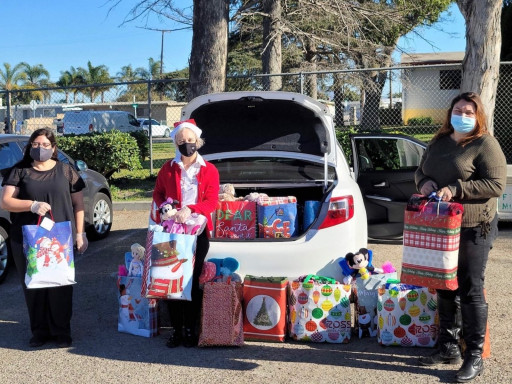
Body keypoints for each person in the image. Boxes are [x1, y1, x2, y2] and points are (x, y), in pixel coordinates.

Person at [415, 92, 507, 382]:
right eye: (459, 110)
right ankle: (448, 347)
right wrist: (425, 182)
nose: (463, 115)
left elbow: (495, 184)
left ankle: (474, 356)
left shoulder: (485, 144)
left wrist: (456, 189)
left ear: (478, 116)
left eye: (469, 111)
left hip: (473, 226)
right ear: (450, 113)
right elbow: (420, 171)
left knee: (470, 286)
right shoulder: (439, 141)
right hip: (441, 225)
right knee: (444, 285)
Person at [0, 128, 88, 348]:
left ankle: (61, 331)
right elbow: (5, 202)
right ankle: (39, 331)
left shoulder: (66, 171)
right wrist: (32, 205)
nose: (40, 149)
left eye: (45, 145)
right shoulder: (18, 171)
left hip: (60, 239)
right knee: (34, 285)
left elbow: (78, 205)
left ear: (54, 147)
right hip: (27, 239)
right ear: (30, 147)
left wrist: (80, 233)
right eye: (36, 145)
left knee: (61, 285)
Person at [152, 118, 219, 348]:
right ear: (176, 143)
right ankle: (177, 330)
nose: (186, 144)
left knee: (189, 282)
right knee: (171, 283)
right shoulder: (167, 169)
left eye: (190, 140)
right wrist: (164, 207)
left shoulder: (209, 170)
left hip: (196, 234)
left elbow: (212, 202)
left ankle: (191, 329)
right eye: (181, 141)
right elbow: (158, 193)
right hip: (171, 233)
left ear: (197, 141)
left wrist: (191, 209)